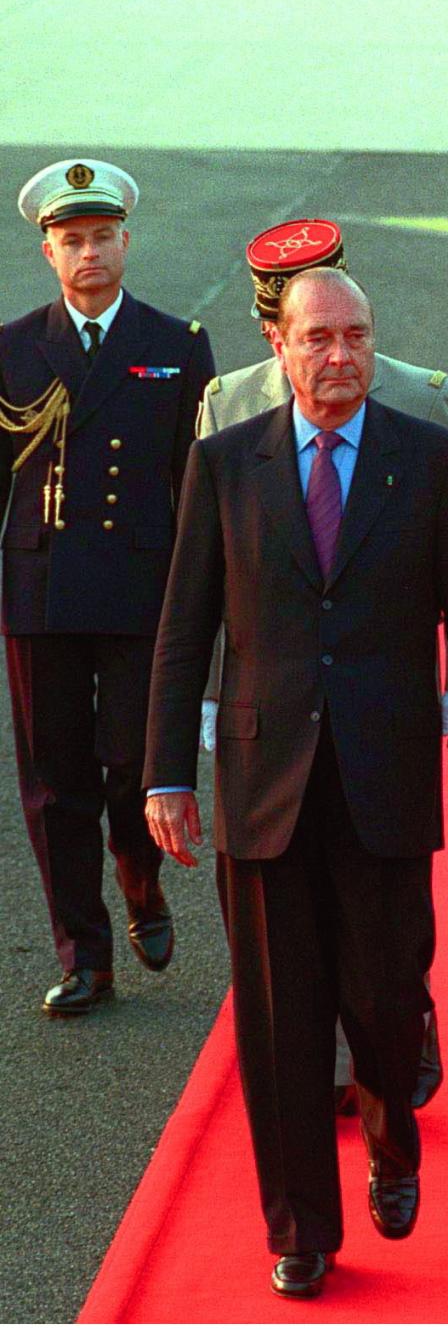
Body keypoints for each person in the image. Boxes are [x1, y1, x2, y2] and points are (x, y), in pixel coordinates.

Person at [144, 268, 448, 1299]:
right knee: (279, 1017)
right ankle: (301, 1224)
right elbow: (184, 634)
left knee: (389, 1000)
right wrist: (165, 772)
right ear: (282, 347)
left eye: (356, 335)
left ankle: (394, 1136)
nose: (340, 355)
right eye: (318, 338)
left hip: (388, 777)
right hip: (264, 784)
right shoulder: (226, 464)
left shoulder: (434, 461)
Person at [198, 217, 448, 1111]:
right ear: (274, 328)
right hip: (275, 716)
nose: (331, 348)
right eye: (301, 322)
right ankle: (328, 1088)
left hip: (383, 705)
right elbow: (205, 573)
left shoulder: (425, 401)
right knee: (292, 938)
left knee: (390, 925)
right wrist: (208, 706)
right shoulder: (227, 406)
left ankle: (396, 1033)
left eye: (343, 320)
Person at [0, 160, 215, 1017]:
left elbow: (196, 482)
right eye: (71, 241)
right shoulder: (13, 348)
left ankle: (139, 874)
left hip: (139, 588)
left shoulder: (175, 345)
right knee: (55, 785)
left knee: (131, 765)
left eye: (102, 237)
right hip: (40, 586)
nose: (89, 253)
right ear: (49, 253)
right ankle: (85, 956)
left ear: (126, 242)